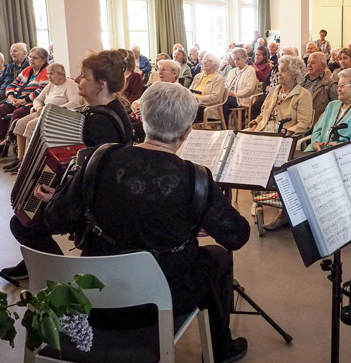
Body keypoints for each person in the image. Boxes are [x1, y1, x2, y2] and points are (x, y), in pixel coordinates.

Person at [43, 82, 250, 363]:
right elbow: (237, 236)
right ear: (188, 131)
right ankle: (220, 349)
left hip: (93, 294)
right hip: (158, 301)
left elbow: (55, 219)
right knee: (218, 258)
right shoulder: (195, 178)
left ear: (142, 119)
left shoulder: (100, 158)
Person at [1, 49, 134, 282]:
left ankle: (61, 276)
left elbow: (96, 177)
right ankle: (34, 263)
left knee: (22, 222)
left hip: (97, 207)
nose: (78, 80)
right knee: (27, 219)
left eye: (84, 76)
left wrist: (59, 195)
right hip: (101, 198)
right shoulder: (110, 112)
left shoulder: (101, 122)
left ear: (101, 84)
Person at [4, 63, 80, 174]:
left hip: (58, 115)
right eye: (48, 74)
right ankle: (20, 159)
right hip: (44, 111)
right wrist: (38, 107)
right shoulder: (51, 85)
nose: (49, 77)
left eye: (51, 74)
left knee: (31, 125)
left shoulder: (70, 85)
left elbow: (75, 102)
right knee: (20, 123)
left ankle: (27, 163)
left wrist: (55, 108)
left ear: (61, 74)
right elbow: (37, 99)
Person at [308, 68, 351, 151]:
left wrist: (344, 145)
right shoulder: (332, 105)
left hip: (348, 152)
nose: (338, 89)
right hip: (321, 150)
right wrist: (316, 142)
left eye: (342, 86)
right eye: (338, 86)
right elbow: (317, 129)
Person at [248, 55, 312, 135]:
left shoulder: (303, 95)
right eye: (279, 70)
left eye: (283, 71)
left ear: (294, 74)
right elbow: (263, 115)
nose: (279, 74)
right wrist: (254, 125)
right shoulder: (274, 91)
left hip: (283, 136)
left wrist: (287, 131)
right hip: (262, 131)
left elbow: (304, 123)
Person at [0, 47, 49, 146]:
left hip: (31, 103)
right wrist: (11, 97)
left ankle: (8, 140)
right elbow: (12, 85)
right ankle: (1, 138)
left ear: (43, 59)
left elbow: (39, 92)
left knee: (18, 113)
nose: (31, 59)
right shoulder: (27, 70)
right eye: (30, 57)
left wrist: (22, 101)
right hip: (15, 100)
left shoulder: (47, 71)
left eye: (34, 58)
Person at [222, 48, 259, 125]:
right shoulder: (232, 71)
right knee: (223, 102)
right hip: (230, 97)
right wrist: (225, 92)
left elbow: (250, 89)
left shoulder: (250, 70)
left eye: (238, 59)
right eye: (234, 59)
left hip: (243, 98)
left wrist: (235, 95)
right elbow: (226, 84)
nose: (236, 61)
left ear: (245, 58)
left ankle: (223, 126)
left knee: (224, 101)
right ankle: (223, 126)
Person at [303, 51, 338, 125]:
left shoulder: (330, 85)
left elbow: (337, 108)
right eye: (308, 62)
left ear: (323, 66)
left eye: (313, 63)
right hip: (300, 124)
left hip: (318, 125)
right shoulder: (300, 82)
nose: (309, 65)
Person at [190, 52, 226, 122]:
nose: (205, 62)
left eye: (208, 60)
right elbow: (190, 90)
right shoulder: (198, 76)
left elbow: (215, 97)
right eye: (204, 60)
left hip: (207, 108)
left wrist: (198, 99)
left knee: (182, 113)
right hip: (193, 105)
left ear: (215, 64)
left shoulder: (218, 78)